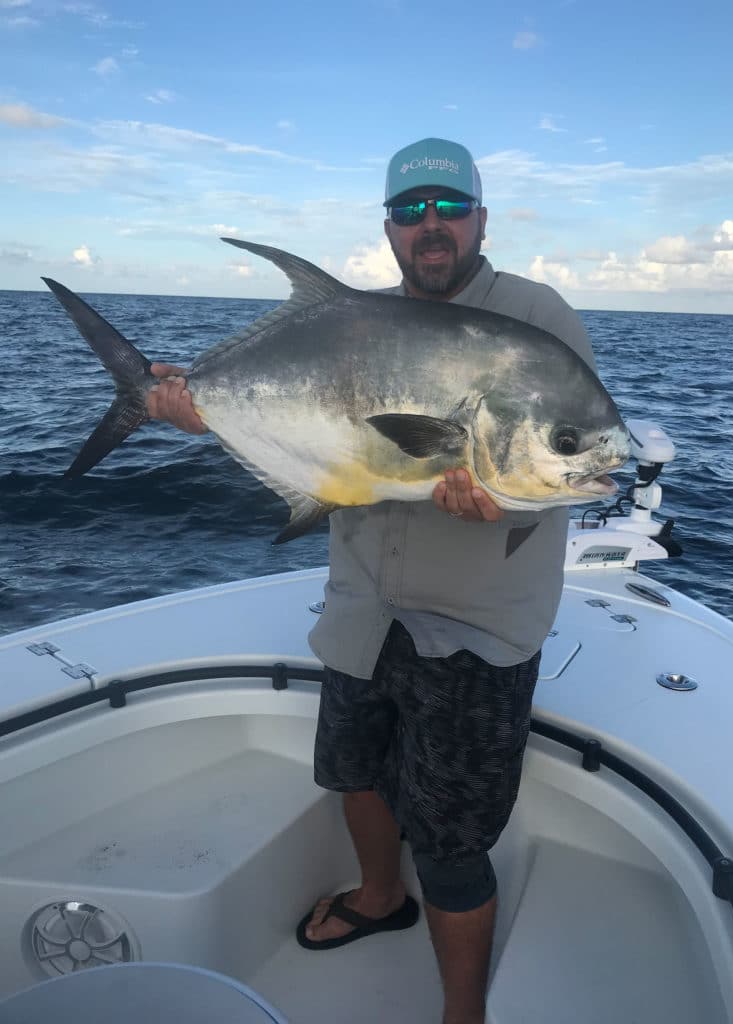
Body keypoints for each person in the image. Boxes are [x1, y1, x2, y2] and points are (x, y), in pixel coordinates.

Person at [148, 138, 599, 1024]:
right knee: (353, 771)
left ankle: (460, 1012)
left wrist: (498, 505)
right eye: (410, 210)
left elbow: (557, 466)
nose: (431, 227)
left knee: (454, 837)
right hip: (362, 602)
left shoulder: (539, 321)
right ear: (390, 226)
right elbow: (318, 441)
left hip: (476, 624)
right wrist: (203, 413)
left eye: (448, 208)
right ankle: (379, 897)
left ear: (480, 216)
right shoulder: (352, 320)